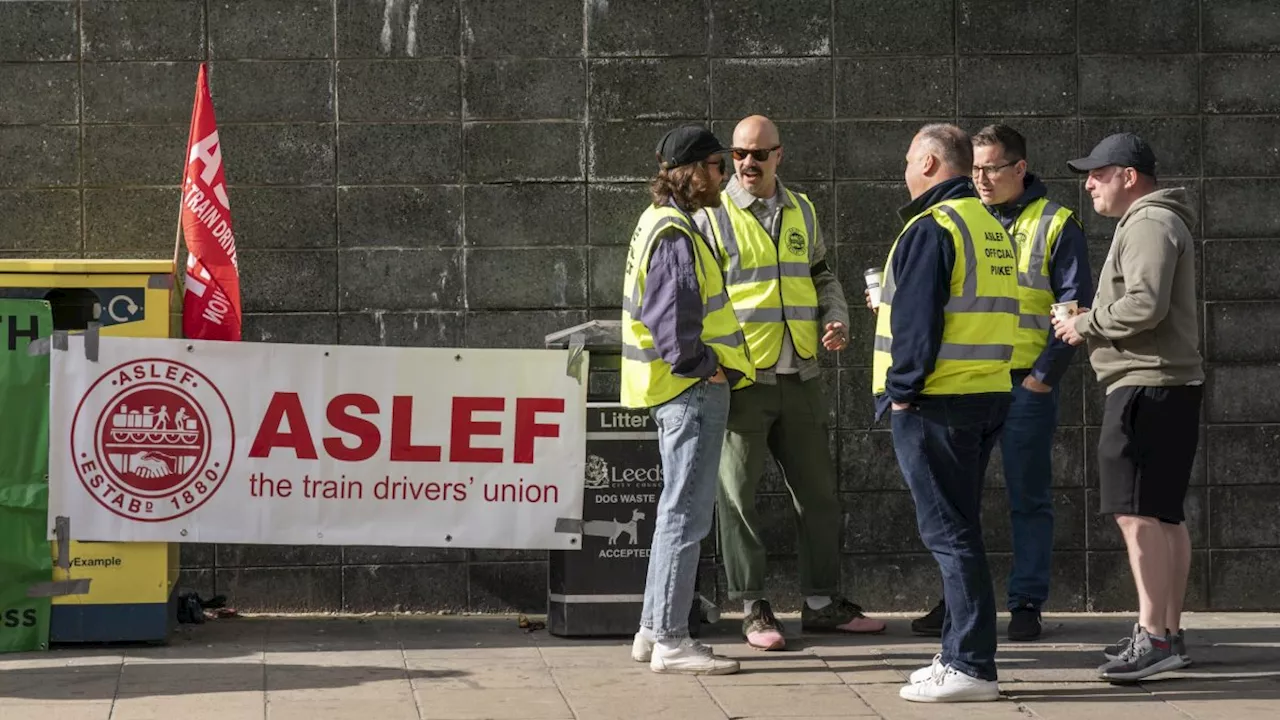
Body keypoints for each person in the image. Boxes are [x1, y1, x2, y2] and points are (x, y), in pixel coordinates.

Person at [694, 115, 883, 652]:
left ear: (780, 155)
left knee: (819, 494)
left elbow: (821, 273)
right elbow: (702, 290)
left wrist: (837, 315)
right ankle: (753, 606)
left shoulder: (801, 209)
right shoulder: (712, 214)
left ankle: (822, 603)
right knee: (737, 496)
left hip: (800, 371)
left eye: (758, 154)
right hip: (743, 376)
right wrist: (712, 359)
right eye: (737, 155)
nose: (747, 164)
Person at [910, 124, 1093, 641]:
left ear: (1020, 168)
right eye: (974, 169)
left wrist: (1041, 379)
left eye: (991, 168)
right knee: (955, 500)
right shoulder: (963, 217)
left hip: (1022, 383)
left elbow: (1074, 306)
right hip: (966, 381)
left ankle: (1027, 603)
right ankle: (956, 604)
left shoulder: (1056, 222)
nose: (981, 179)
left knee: (1027, 495)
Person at [870, 123, 1018, 702]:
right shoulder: (989, 225)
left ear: (931, 163)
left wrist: (902, 391)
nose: (904, 170)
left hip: (936, 402)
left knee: (950, 534)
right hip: (984, 394)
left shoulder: (932, 227)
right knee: (960, 528)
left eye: (910, 159)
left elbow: (919, 324)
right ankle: (956, 652)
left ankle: (972, 665)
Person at [1054, 132, 1202, 682]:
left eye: (1098, 172)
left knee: (1136, 513)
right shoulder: (1161, 221)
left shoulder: (1146, 222)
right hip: (1168, 386)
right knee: (1163, 514)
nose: (1088, 183)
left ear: (1129, 177)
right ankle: (1167, 634)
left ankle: (1156, 640)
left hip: (1144, 387)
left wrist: (1083, 323)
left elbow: (1145, 303)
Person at [620, 124, 756, 675]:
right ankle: (674, 638)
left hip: (675, 392)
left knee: (673, 511)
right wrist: (711, 370)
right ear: (695, 172)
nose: (724, 177)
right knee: (686, 515)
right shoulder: (676, 230)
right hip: (691, 390)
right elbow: (674, 326)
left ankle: (653, 629)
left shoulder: (657, 222)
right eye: (719, 166)